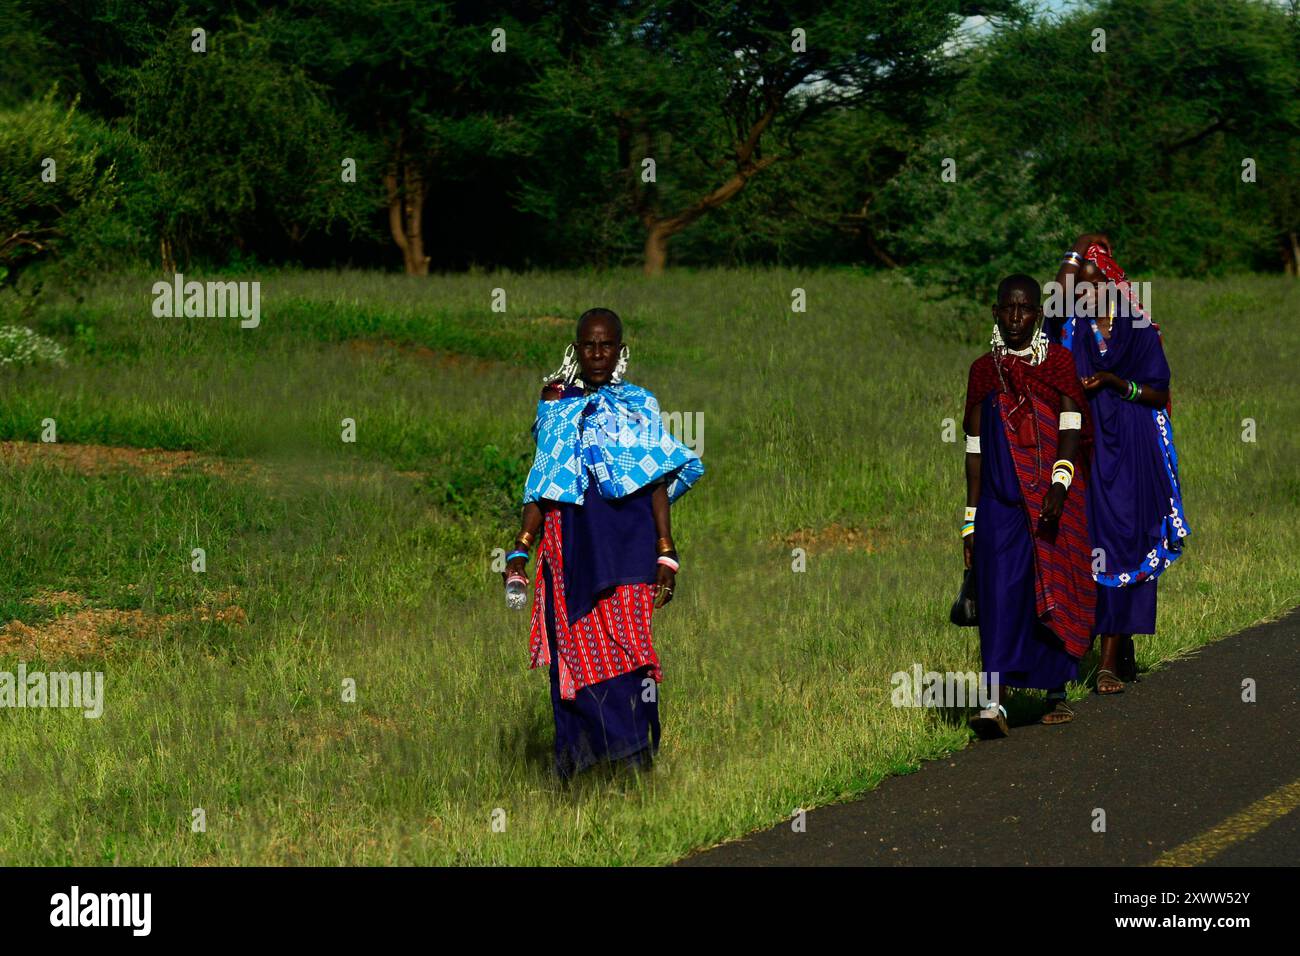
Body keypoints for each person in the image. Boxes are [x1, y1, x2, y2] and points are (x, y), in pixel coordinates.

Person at [505, 308, 704, 778]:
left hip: (630, 545)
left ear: (620, 350)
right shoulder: (555, 401)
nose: (597, 354)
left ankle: (635, 766)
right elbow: (545, 478)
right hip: (572, 546)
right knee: (575, 650)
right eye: (588, 345)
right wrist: (521, 545)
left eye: (606, 345)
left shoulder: (639, 404)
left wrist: (666, 549)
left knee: (628, 648)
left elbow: (654, 479)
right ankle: (580, 768)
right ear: (576, 350)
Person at [1049, 234, 1190, 695]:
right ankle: (1101, 649)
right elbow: (1051, 303)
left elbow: (1157, 391)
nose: (1084, 293)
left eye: (1094, 284)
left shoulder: (1139, 329)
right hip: (1088, 448)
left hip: (1134, 447)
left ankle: (1109, 660)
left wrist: (1113, 382)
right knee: (1090, 544)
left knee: (1128, 542)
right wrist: (1076, 251)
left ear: (1113, 286)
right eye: (1080, 287)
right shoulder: (1070, 330)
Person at [963, 275, 1096, 737]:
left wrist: (1060, 485)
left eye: (1025, 310)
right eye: (1008, 309)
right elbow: (974, 449)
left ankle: (1055, 690)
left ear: (1038, 315)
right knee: (998, 595)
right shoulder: (984, 371)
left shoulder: (1058, 363)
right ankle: (993, 704)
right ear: (996, 313)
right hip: (999, 505)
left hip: (1049, 500)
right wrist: (969, 519)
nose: (1016, 317)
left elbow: (1072, 427)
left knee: (1052, 587)